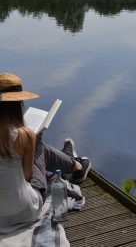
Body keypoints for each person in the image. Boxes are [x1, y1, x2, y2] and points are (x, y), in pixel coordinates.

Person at [0, 72, 91, 234]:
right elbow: (28, 176)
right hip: (24, 212)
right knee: (40, 148)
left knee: (38, 148)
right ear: (17, 103)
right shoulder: (23, 134)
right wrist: (33, 142)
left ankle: (71, 160)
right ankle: (75, 165)